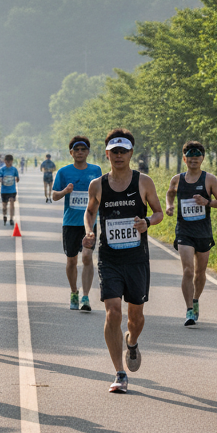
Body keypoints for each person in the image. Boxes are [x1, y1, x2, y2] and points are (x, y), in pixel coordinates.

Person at [83, 128, 164, 393]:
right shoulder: (98, 185)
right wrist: (90, 231)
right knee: (113, 311)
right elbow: (89, 212)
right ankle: (119, 372)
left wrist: (147, 222)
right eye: (114, 151)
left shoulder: (144, 182)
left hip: (136, 258)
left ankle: (132, 342)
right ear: (107, 154)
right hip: (109, 258)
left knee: (136, 318)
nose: (118, 156)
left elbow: (159, 212)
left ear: (131, 153)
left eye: (123, 151)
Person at [165, 140, 217, 326]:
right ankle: (189, 309)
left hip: (203, 231)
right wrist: (170, 205)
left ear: (202, 158)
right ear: (184, 158)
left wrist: (207, 202)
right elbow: (170, 193)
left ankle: (196, 299)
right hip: (184, 231)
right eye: (190, 156)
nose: (193, 159)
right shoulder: (177, 179)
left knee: (200, 272)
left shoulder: (209, 179)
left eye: (197, 156)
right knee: (187, 270)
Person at [52, 134, 102, 311]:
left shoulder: (96, 171)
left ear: (88, 152)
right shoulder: (64, 172)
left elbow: (101, 194)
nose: (80, 152)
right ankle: (74, 291)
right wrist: (65, 190)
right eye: (77, 150)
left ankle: (86, 297)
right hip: (70, 223)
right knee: (72, 261)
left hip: (89, 222)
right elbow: (54, 196)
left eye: (83, 149)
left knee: (87, 257)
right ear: (71, 153)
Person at [0, 153, 19, 226]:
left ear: (12, 161)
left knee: (12, 204)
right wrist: (2, 179)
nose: (8, 163)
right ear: (4, 161)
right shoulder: (2, 170)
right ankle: (4, 215)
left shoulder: (14, 169)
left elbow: (17, 178)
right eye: (7, 161)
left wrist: (16, 179)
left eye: (10, 161)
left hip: (12, 190)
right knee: (4, 206)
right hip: (4, 190)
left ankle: (11, 218)